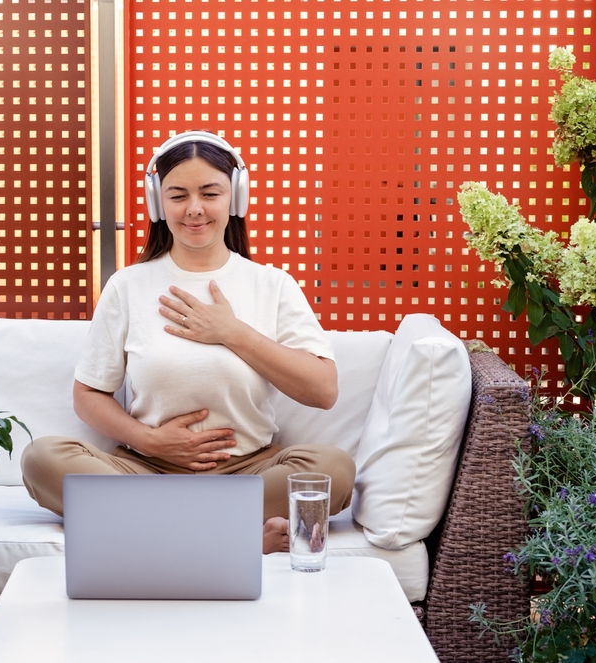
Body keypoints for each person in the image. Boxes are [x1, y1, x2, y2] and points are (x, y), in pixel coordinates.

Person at [22, 130, 355, 554]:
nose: (194, 209)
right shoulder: (127, 285)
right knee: (42, 458)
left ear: (235, 197)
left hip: (247, 472)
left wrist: (232, 333)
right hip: (146, 470)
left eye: (209, 193)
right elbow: (88, 394)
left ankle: (154, 530)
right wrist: (148, 440)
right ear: (157, 202)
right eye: (177, 195)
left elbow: (324, 390)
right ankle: (234, 537)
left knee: (333, 469)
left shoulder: (273, 285)